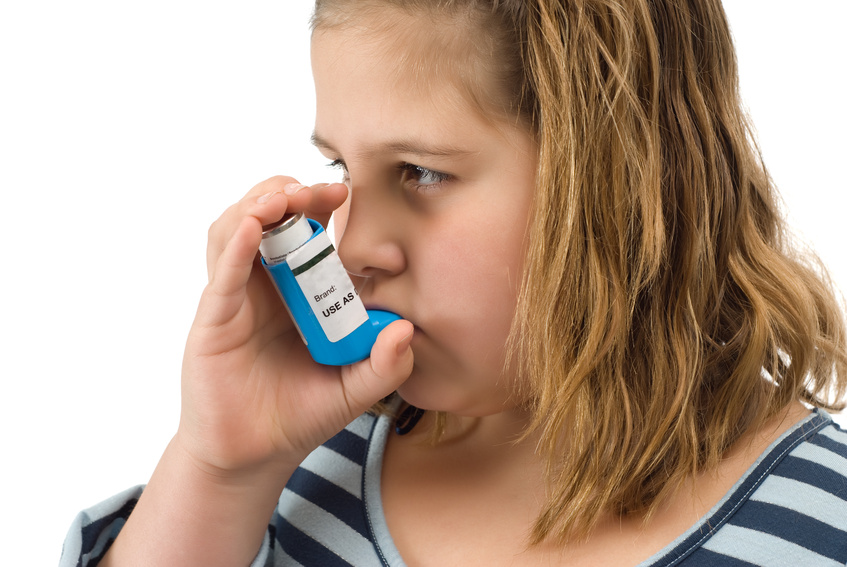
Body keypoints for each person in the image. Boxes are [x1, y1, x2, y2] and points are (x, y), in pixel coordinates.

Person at [61, 0, 847, 565]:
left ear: (622, 178)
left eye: (422, 172)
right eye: (341, 168)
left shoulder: (821, 525)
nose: (354, 244)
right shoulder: (283, 478)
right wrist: (218, 468)